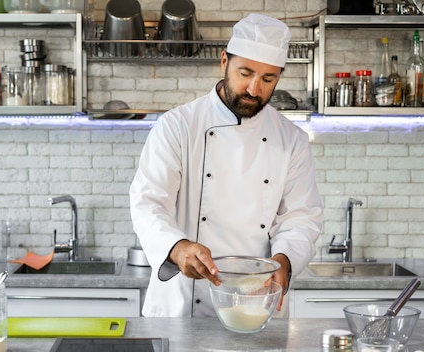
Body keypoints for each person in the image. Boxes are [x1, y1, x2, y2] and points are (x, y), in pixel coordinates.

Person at [129, 13, 324, 318]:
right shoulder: (178, 126)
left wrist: (284, 262)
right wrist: (178, 247)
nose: (254, 89)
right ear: (224, 62)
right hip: (182, 305)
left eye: (268, 79)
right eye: (245, 72)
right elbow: (148, 203)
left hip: (255, 302)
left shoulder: (291, 140)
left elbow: (301, 219)